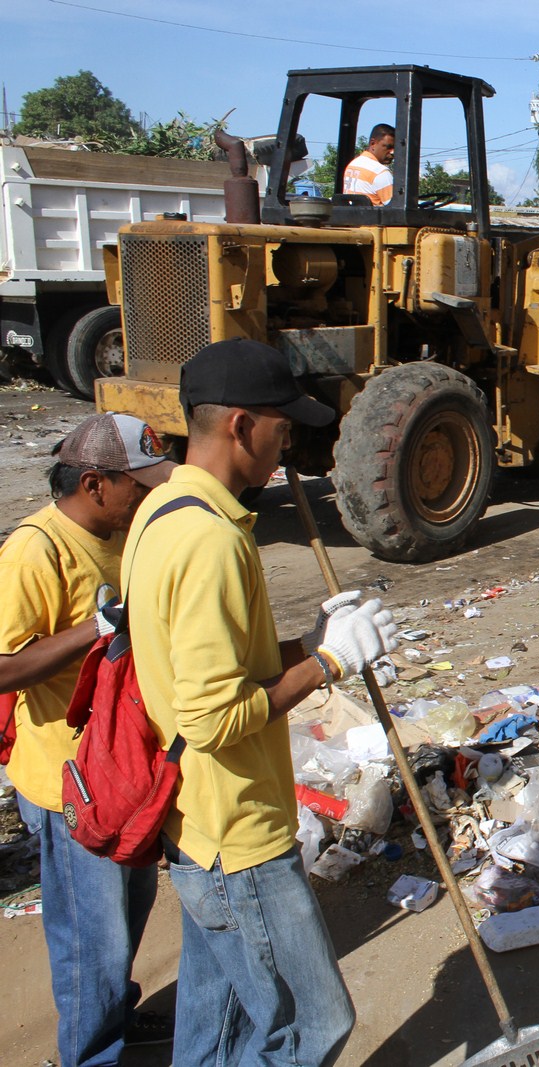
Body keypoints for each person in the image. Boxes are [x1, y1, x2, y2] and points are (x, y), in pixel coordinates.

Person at [125, 338, 396, 1065]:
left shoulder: (161, 512)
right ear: (242, 426)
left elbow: (219, 667)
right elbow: (214, 719)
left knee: (216, 1023)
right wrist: (331, 663)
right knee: (310, 1023)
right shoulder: (209, 541)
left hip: (195, 827)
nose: (290, 441)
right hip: (236, 831)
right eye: (284, 425)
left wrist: (308, 643)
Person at [0, 414, 175, 1066]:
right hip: (66, 780)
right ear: (95, 482)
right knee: (89, 936)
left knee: (128, 912)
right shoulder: (35, 550)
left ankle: (114, 1016)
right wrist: (93, 631)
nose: (147, 496)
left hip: (119, 768)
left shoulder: (118, 532)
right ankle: (88, 1053)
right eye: (139, 484)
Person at [342, 123, 395, 205]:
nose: (392, 152)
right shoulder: (380, 172)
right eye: (388, 147)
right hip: (372, 217)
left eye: (395, 148)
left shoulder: (352, 165)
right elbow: (395, 211)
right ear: (373, 143)